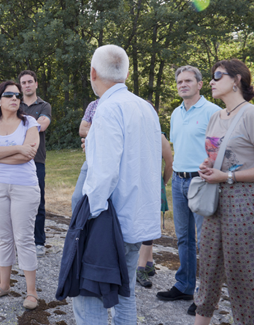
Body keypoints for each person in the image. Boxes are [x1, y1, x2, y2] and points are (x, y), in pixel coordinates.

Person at [71, 45, 161, 324]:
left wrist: (89, 218)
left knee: (89, 298)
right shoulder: (145, 107)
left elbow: (104, 174)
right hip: (139, 218)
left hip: (110, 224)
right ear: (126, 72)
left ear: (93, 73)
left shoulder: (107, 109)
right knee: (126, 293)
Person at [193, 59, 254, 324]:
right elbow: (215, 157)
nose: (211, 81)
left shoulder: (253, 114)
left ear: (236, 80)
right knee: (208, 271)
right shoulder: (215, 116)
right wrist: (207, 166)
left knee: (241, 276)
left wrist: (229, 176)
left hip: (246, 204)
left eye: (217, 76)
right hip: (214, 203)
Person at [156, 66, 220, 315]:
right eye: (179, 81)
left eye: (188, 81)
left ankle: (205, 297)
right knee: (184, 239)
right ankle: (184, 285)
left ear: (200, 84)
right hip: (179, 181)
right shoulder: (175, 113)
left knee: (206, 243)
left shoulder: (212, 111)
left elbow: (217, 148)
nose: (183, 84)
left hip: (202, 182)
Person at [0, 80, 41, 310]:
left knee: (24, 238)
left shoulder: (30, 123)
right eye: (9, 95)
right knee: (4, 238)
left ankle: (31, 292)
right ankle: (4, 285)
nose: (15, 98)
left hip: (24, 186)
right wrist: (17, 148)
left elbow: (29, 155)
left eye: (17, 95)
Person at [135, 104, 174, 288]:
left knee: (149, 223)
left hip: (152, 184)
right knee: (144, 222)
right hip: (136, 184)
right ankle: (149, 263)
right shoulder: (133, 134)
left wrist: (163, 182)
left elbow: (169, 163)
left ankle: (140, 268)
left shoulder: (159, 137)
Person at [18, 70, 52, 257]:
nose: (27, 85)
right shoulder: (16, 103)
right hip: (16, 158)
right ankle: (21, 239)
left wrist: (20, 126)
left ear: (36, 84)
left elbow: (43, 125)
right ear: (20, 86)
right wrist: (32, 126)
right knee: (17, 201)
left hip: (36, 159)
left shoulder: (44, 105)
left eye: (30, 81)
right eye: (23, 83)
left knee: (38, 201)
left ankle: (39, 241)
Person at [71, 98, 98, 212]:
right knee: (77, 198)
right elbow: (82, 130)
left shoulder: (120, 102)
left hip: (110, 162)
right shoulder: (93, 105)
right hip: (90, 160)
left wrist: (92, 131)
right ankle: (77, 229)